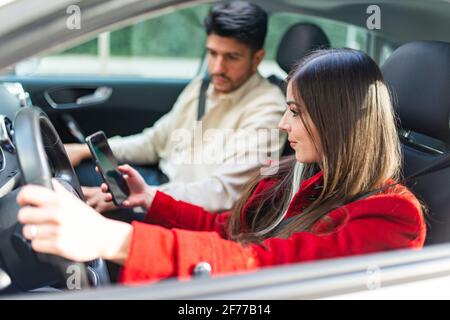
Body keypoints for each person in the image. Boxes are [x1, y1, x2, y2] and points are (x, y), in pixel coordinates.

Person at [17, 49, 426, 285]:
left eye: (296, 113)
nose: (283, 125)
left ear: (337, 120)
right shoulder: (295, 173)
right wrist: (152, 200)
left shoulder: (392, 216)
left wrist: (113, 240)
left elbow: (266, 267)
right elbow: (230, 231)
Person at [65, 1, 286, 213]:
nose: (218, 68)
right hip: (159, 184)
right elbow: (154, 141)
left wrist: (143, 197)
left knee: (73, 199)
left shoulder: (268, 109)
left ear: (257, 59)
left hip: (183, 211)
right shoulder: (202, 86)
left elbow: (226, 193)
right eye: (212, 53)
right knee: (74, 173)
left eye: (232, 57)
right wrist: (84, 151)